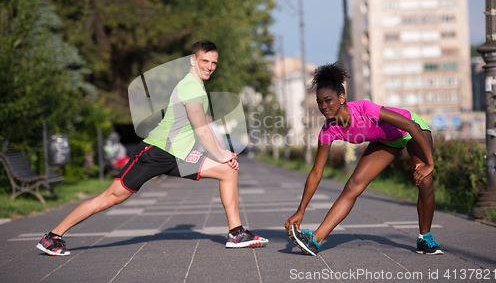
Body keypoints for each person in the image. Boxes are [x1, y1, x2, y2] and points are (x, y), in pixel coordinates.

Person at [37, 41, 268, 256]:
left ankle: (236, 233)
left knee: (228, 170)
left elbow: (208, 123)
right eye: (205, 61)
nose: (210, 66)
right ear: (192, 60)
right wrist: (220, 154)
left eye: (213, 62)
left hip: (180, 155)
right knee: (110, 198)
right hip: (156, 152)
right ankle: (52, 237)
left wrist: (224, 153)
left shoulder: (199, 88)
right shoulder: (190, 88)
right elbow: (201, 129)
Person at [285, 62, 442, 256]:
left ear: (342, 98)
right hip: (386, 140)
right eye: (319, 102)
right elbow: (316, 173)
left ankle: (425, 239)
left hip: (412, 130)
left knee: (425, 180)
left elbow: (412, 127)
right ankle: (315, 240)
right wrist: (301, 211)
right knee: (353, 185)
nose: (323, 106)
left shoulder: (364, 109)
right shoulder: (328, 130)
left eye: (328, 100)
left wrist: (429, 164)